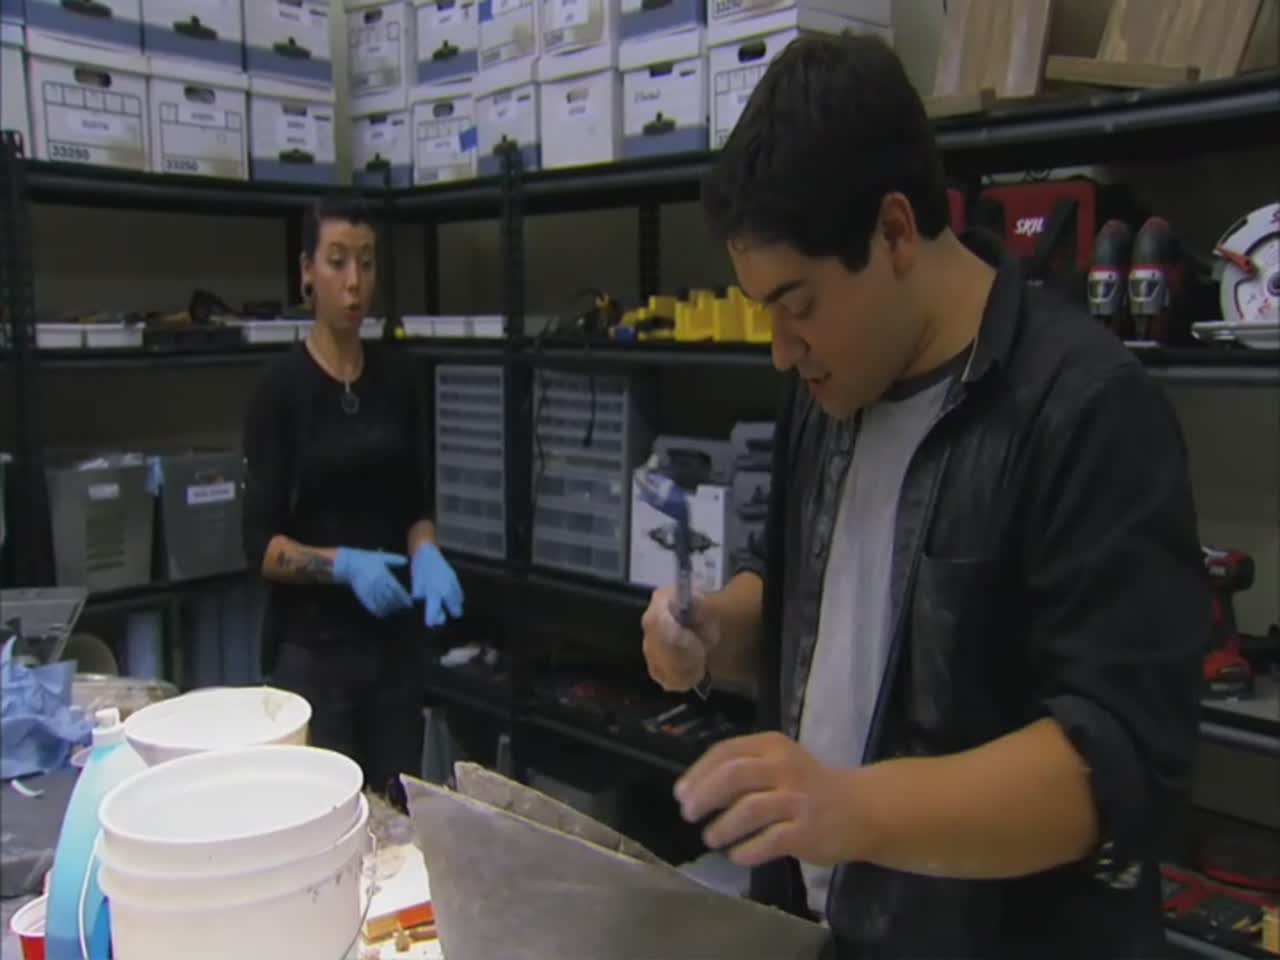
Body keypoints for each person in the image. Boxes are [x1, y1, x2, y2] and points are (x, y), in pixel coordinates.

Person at [640, 34, 1207, 960]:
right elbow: (804, 596)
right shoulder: (828, 388)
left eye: (798, 304)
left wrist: (851, 808)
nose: (781, 349)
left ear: (896, 231)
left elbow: (1113, 762)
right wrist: (714, 630)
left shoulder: (1086, 410)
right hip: (820, 929)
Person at [242, 194, 464, 803]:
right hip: (314, 655)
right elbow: (259, 547)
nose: (354, 282)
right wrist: (343, 565)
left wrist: (426, 552)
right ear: (307, 271)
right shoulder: (279, 390)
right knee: (325, 815)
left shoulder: (399, 378)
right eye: (337, 261)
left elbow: (414, 504)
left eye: (366, 263)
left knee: (397, 813)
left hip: (393, 648)